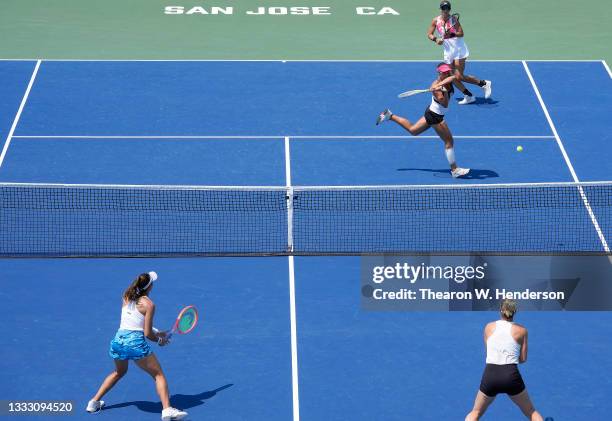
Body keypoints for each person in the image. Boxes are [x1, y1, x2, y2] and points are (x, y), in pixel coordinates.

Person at [86, 272, 188, 421]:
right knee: (158, 375)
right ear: (150, 286)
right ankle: (167, 410)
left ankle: (93, 403)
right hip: (134, 344)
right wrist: (160, 341)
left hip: (118, 341)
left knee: (119, 372)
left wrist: (159, 333)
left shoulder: (126, 296)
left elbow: (134, 321)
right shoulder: (150, 305)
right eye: (153, 282)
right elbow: (147, 334)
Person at [376, 62, 470, 178]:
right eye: (444, 72)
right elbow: (445, 104)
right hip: (436, 117)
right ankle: (454, 170)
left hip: (430, 112)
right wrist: (443, 91)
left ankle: (389, 115)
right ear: (439, 73)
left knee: (413, 130)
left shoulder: (445, 80)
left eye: (447, 71)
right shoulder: (437, 90)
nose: (447, 73)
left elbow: (454, 76)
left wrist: (442, 84)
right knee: (449, 142)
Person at [465, 299, 544, 421]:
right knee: (531, 412)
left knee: (475, 412)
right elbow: (522, 359)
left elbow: (489, 351)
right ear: (515, 312)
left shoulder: (488, 327)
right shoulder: (522, 331)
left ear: (500, 310)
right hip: (511, 376)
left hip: (490, 375)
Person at [427, 1, 492, 104]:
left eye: (447, 9)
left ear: (449, 9)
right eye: (443, 9)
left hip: (459, 50)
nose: (445, 11)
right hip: (448, 51)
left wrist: (451, 34)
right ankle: (468, 95)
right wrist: (436, 39)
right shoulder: (435, 20)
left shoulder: (453, 19)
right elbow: (429, 34)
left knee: (458, 76)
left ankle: (483, 83)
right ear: (440, 9)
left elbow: (461, 33)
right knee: (451, 76)